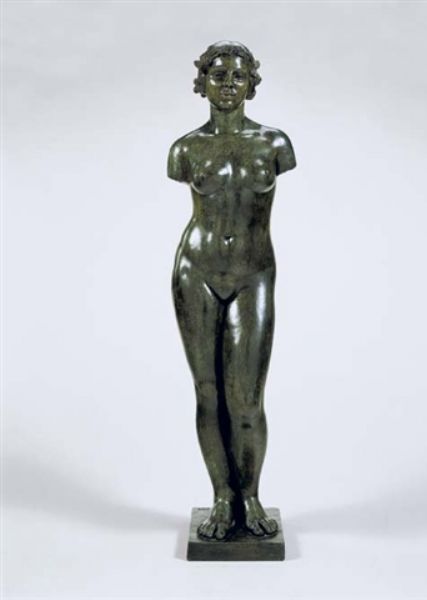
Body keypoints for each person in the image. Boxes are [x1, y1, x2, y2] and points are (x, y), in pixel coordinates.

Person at [167, 41, 296, 541]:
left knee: (246, 398)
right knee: (207, 391)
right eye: (218, 75)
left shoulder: (274, 144)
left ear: (251, 84)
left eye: (238, 76)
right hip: (195, 271)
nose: (227, 84)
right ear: (201, 82)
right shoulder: (185, 149)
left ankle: (251, 494)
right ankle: (222, 495)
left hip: (252, 273)